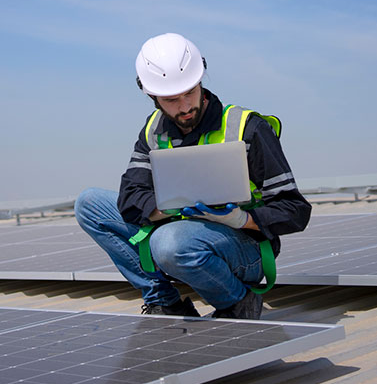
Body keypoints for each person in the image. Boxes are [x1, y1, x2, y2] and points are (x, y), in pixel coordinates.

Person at [75, 33, 310, 319]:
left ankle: (237, 302)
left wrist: (242, 219)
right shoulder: (154, 131)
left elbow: (295, 210)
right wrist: (166, 206)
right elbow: (130, 197)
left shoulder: (247, 128)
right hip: (180, 232)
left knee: (169, 243)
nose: (185, 106)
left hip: (244, 246)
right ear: (151, 96)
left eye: (190, 92)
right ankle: (164, 302)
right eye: (172, 99)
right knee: (89, 203)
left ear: (201, 80)